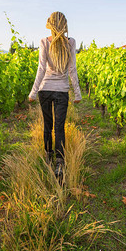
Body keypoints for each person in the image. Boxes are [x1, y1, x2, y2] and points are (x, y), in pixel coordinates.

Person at [28, 11, 82, 179]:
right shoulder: (71, 42)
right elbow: (72, 69)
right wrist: (78, 93)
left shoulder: (44, 41)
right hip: (61, 91)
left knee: (47, 125)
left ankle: (47, 156)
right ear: (64, 25)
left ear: (49, 24)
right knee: (59, 127)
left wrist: (33, 92)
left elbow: (41, 69)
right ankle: (60, 163)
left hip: (45, 90)